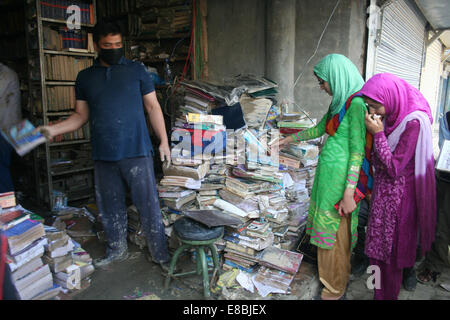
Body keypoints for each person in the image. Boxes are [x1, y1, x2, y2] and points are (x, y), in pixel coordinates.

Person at [38, 21, 172, 271]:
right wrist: (52, 129)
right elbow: (80, 116)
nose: (114, 49)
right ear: (96, 45)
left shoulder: (137, 71)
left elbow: (153, 107)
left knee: (149, 205)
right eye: (108, 45)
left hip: (137, 151)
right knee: (109, 207)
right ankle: (116, 249)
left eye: (118, 45)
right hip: (103, 153)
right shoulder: (85, 78)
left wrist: (164, 141)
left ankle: (160, 254)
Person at [278, 54, 369, 300]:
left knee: (336, 235)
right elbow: (321, 129)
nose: (321, 87)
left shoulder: (357, 104)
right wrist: (290, 138)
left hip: (340, 183)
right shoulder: (340, 102)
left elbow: (357, 151)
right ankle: (331, 279)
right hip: (327, 179)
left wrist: (349, 190)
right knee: (328, 233)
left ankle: (335, 287)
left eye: (323, 82)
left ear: (337, 78)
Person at [361, 72, 436, 300]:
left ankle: (386, 297)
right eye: (368, 106)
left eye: (375, 106)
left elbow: (394, 168)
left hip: (399, 205)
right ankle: (378, 294)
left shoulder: (413, 122)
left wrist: (378, 135)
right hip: (382, 200)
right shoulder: (391, 118)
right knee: (375, 254)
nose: (372, 113)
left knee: (390, 260)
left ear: (390, 99)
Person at [416, 110, 450, 284]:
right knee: (440, 224)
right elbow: (446, 145)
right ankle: (434, 265)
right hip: (446, 178)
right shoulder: (448, 117)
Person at [0, 62, 22, 193]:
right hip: (9, 129)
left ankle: (8, 208)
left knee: (2, 171)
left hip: (6, 130)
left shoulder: (6, 75)